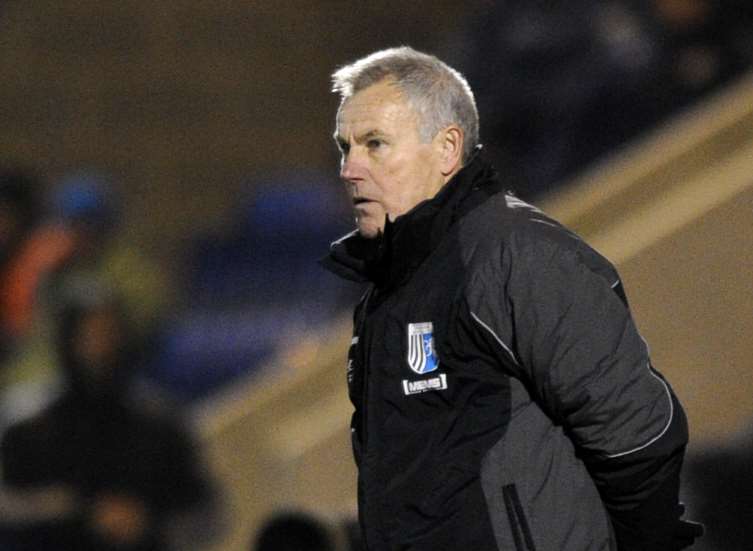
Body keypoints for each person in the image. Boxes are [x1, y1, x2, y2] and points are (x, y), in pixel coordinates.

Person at [321, 46, 703, 550]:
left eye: (374, 144)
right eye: (345, 147)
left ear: (447, 149)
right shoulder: (389, 290)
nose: (351, 169)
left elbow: (639, 432)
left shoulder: (518, 255)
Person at [0, 285, 214, 550]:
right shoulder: (29, 428)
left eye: (107, 333)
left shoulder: (160, 424)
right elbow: (8, 508)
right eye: (87, 336)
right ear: (66, 340)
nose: (99, 348)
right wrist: (75, 510)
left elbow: (203, 513)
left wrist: (145, 520)